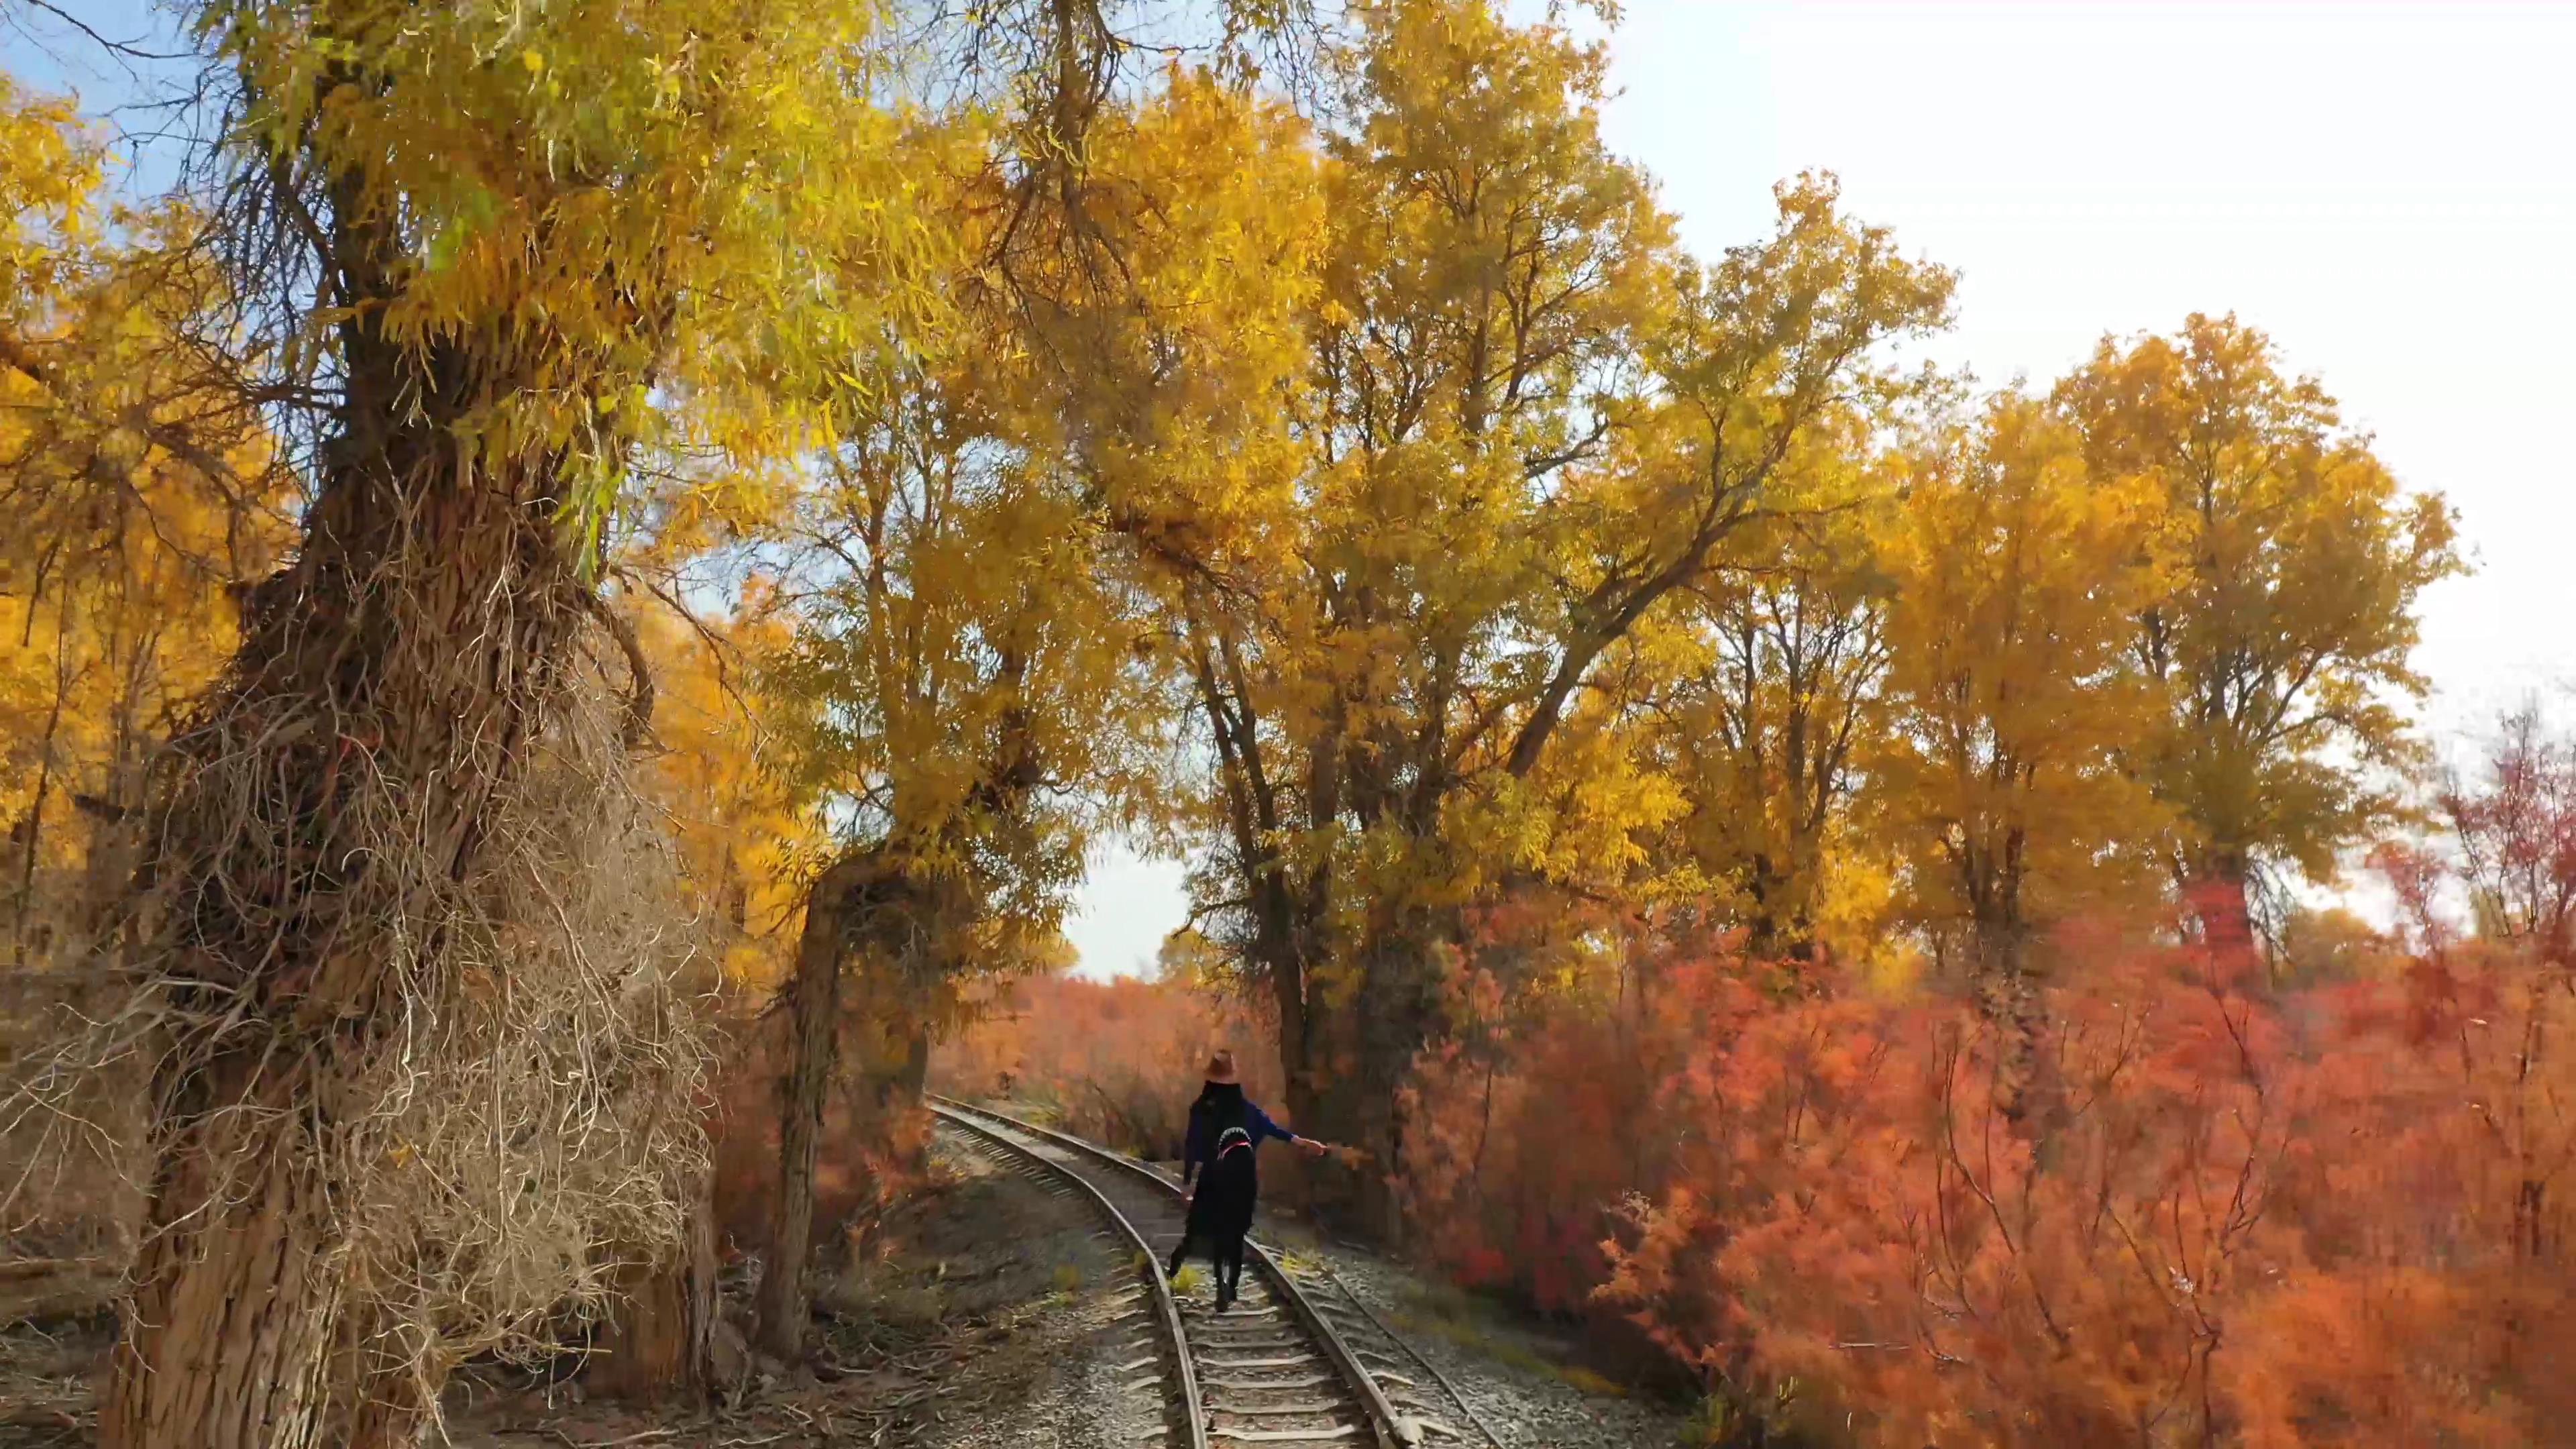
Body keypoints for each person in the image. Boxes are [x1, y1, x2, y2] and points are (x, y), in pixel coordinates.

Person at [1166, 1050, 1326, 1311]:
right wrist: (1304, 1143)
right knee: (1236, 1231)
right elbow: (1275, 1131)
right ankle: (1230, 1288)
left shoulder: (1203, 1108)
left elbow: (1192, 1146)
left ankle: (1203, 1280)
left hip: (1215, 1175)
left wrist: (1186, 1183)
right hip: (1243, 1175)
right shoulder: (1248, 1110)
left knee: (1203, 1230)